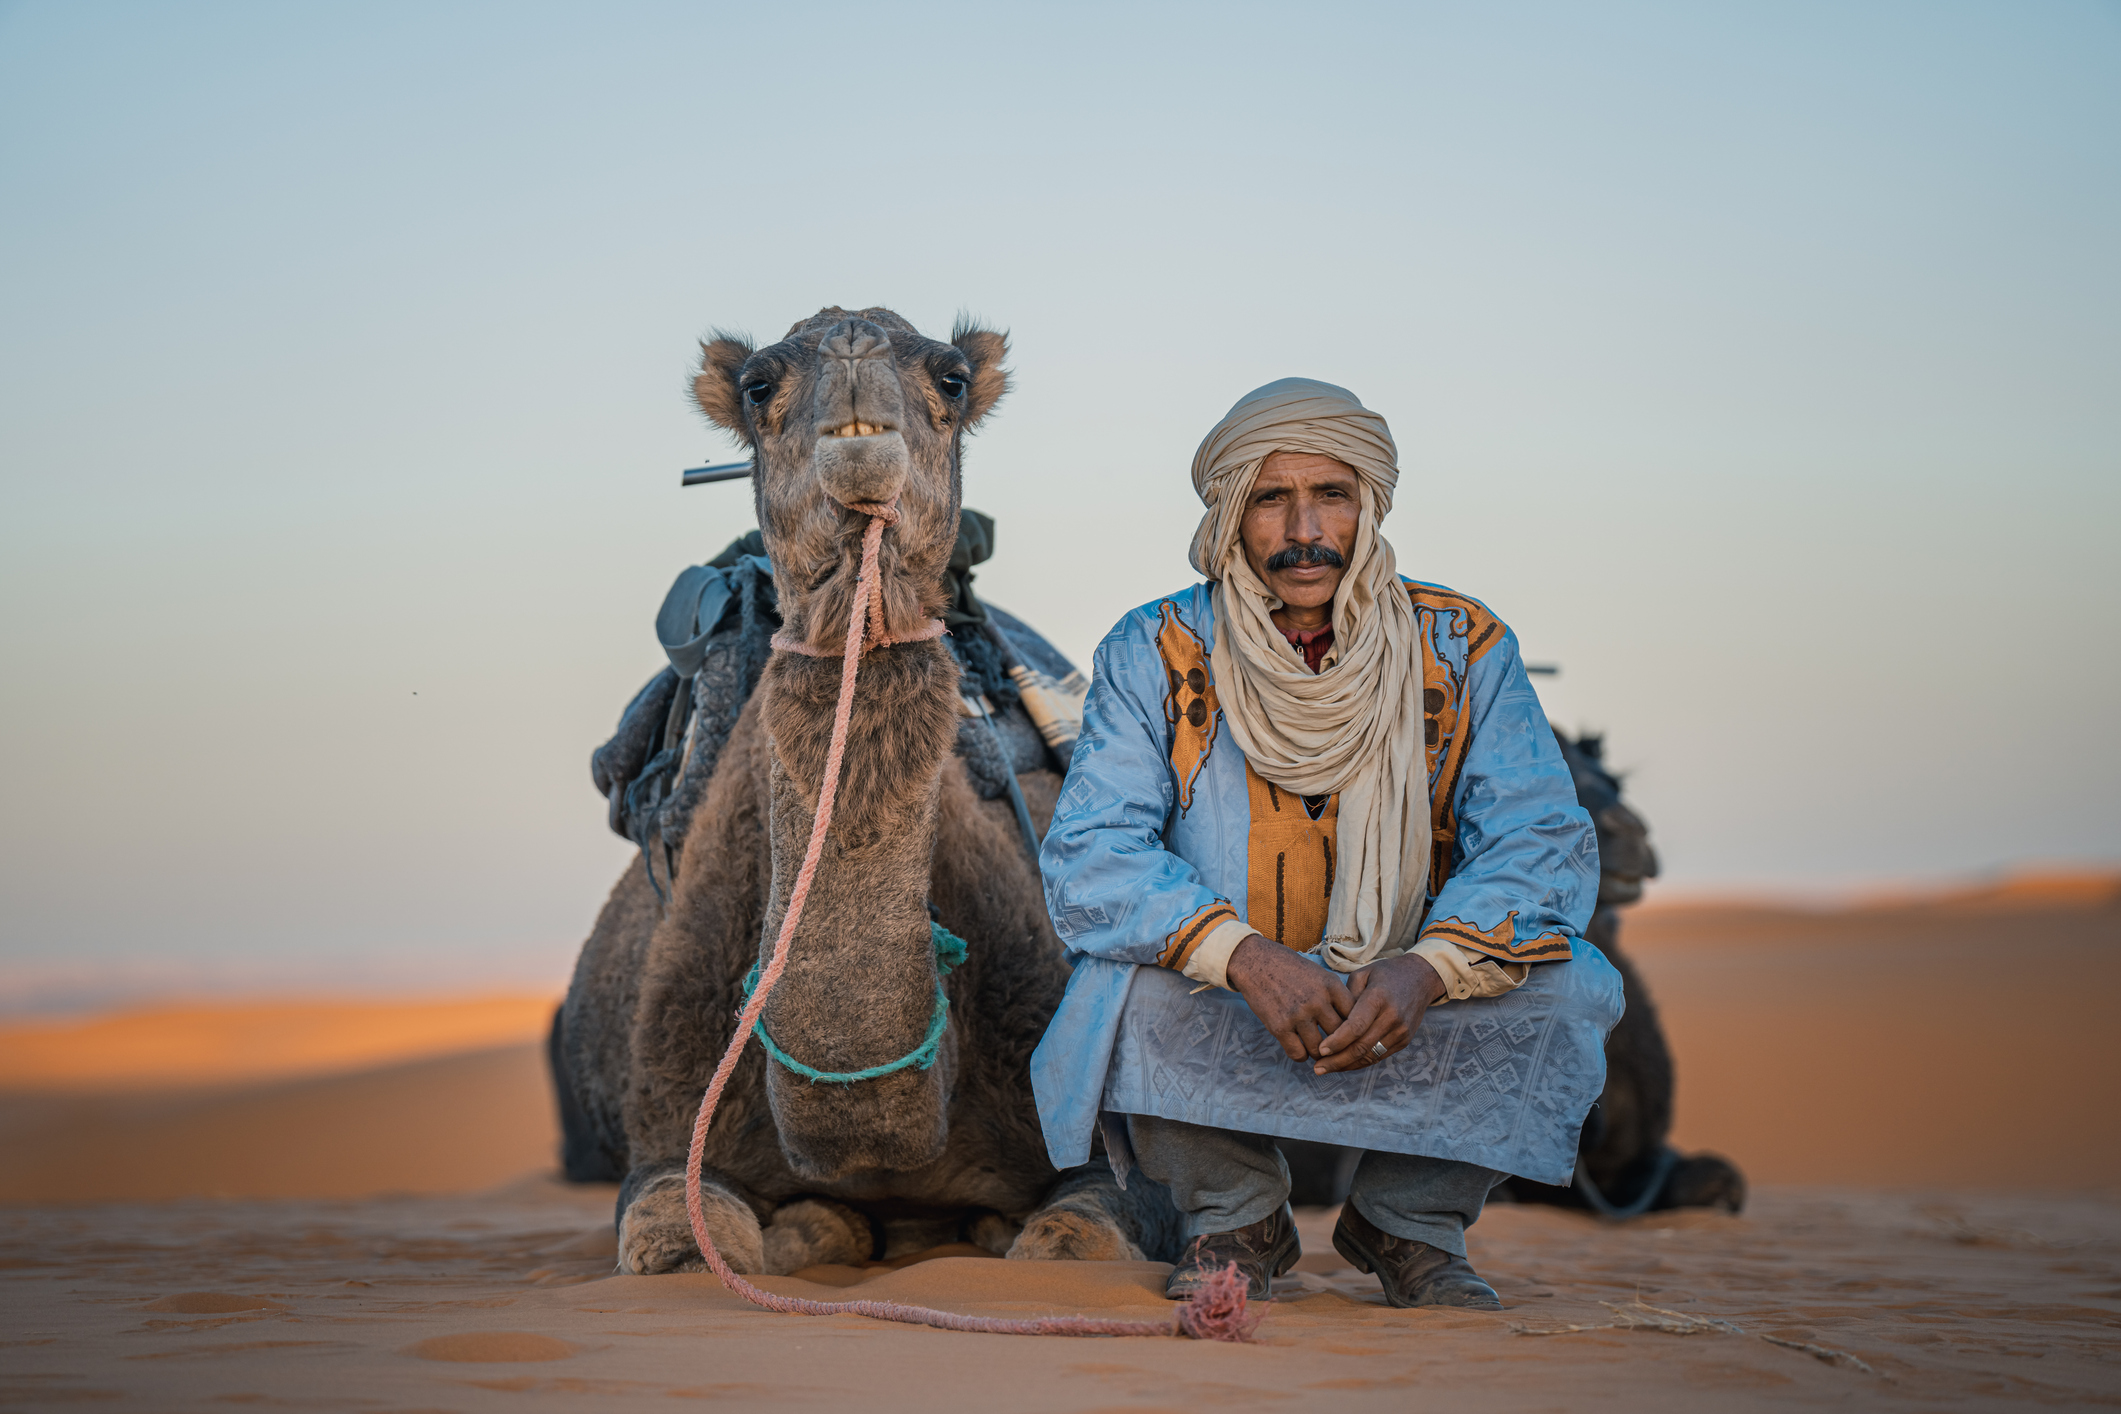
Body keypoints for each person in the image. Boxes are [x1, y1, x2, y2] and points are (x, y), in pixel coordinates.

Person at [1030, 379, 1622, 1308]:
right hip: (1230, 985)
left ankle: (1407, 1225)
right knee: (1114, 991)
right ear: (1231, 511)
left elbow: (1537, 838)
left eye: (1330, 495)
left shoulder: (1464, 646)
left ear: (1369, 504)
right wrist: (1244, 957)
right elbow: (1092, 850)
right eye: (1271, 498)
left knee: (1574, 987)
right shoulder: (1152, 648)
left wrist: (1427, 968)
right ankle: (1236, 1216)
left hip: (1407, 990)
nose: (1304, 528)